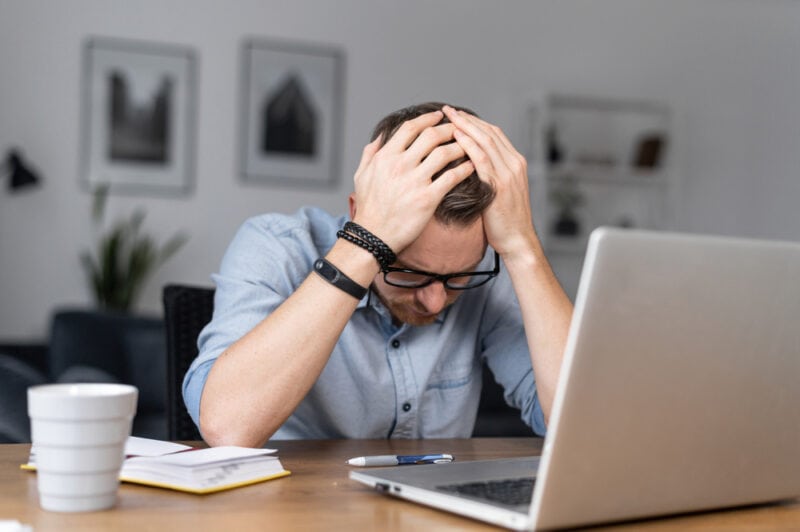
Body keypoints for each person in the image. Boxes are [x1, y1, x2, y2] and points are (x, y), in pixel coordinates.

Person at [183, 102, 573, 447]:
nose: (436, 302)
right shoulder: (275, 246)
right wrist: (365, 243)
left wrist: (525, 250)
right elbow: (226, 426)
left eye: (457, 277)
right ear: (359, 213)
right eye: (410, 273)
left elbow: (576, 429)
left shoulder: (483, 265)